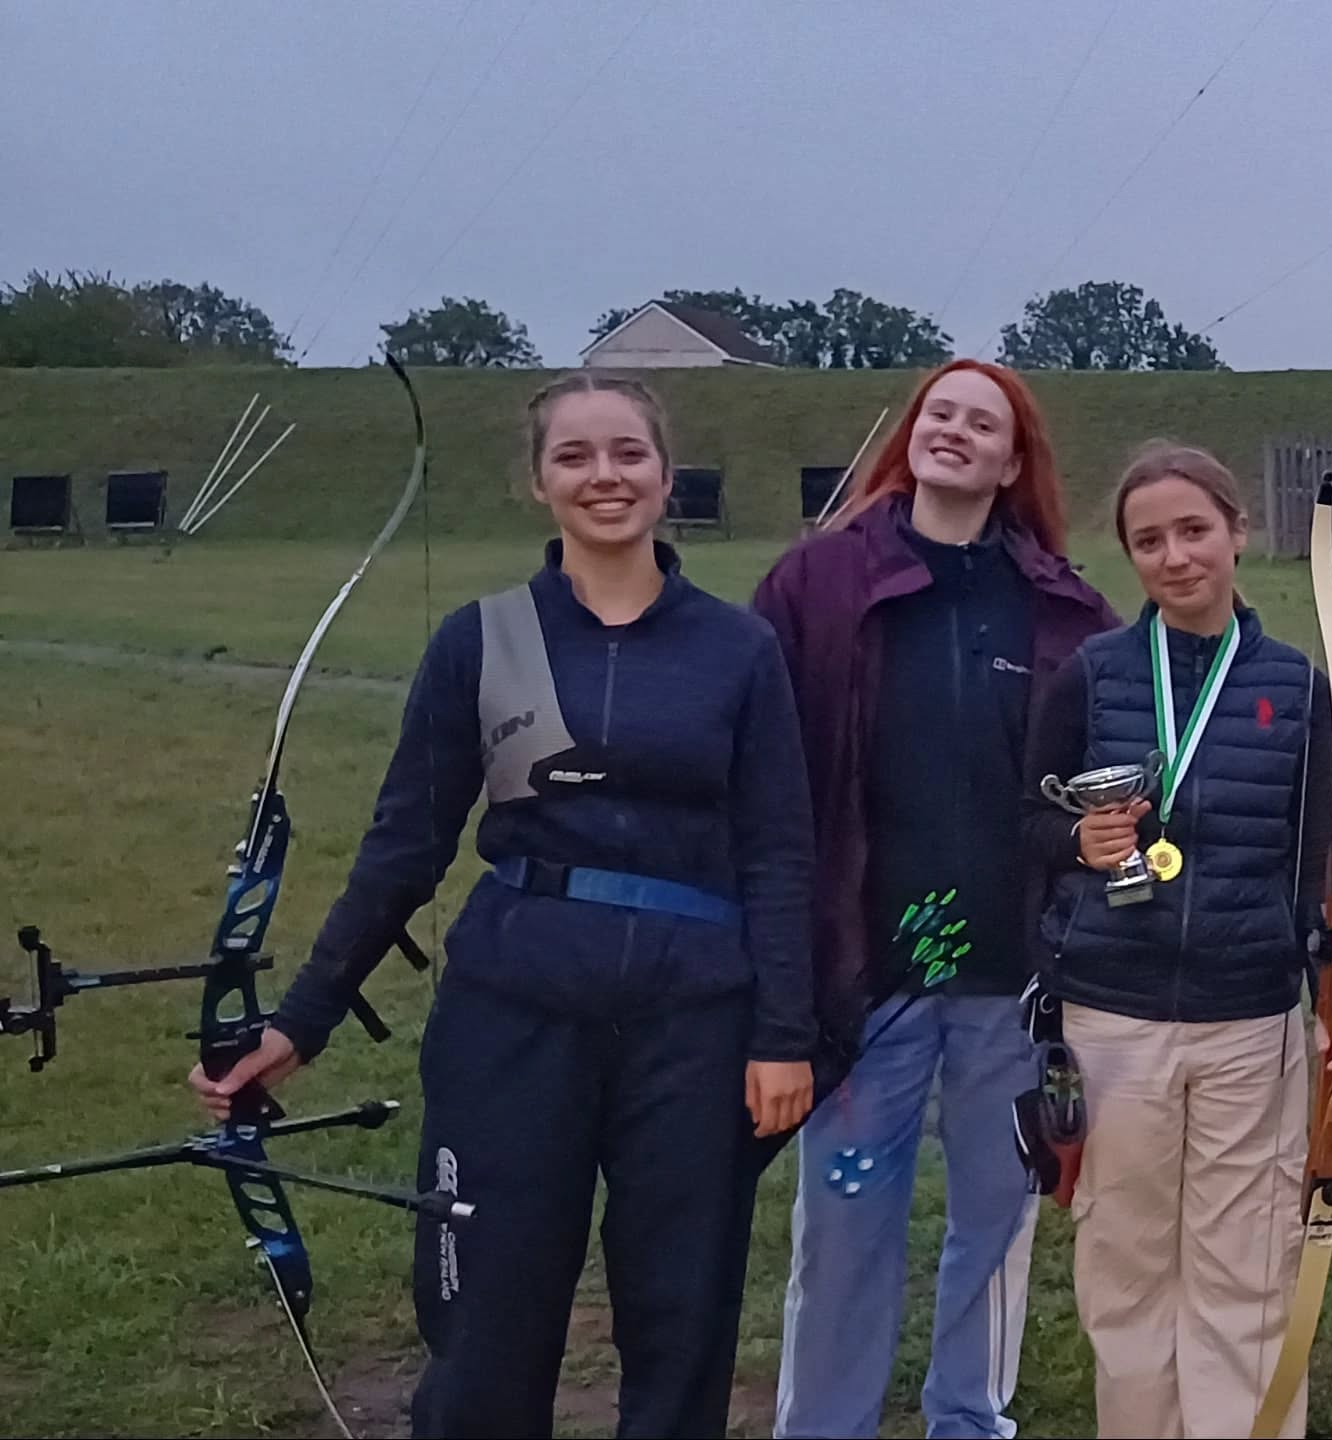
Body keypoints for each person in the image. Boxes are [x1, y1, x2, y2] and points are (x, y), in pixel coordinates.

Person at [190, 372, 817, 1440]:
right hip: (513, 1012)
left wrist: (784, 1034)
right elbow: (404, 850)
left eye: (628, 453)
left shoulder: (737, 649)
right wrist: (303, 1019)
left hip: (693, 1021)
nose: (604, 476)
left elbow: (780, 852)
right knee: (488, 1305)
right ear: (538, 482)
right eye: (574, 456)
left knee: (683, 1308)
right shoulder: (478, 640)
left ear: (667, 477)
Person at [753, 358, 1120, 1439]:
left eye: (982, 423)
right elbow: (757, 760)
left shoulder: (1063, 607)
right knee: (847, 1221)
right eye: (939, 413)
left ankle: (969, 1416)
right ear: (912, 434)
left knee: (999, 1220)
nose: (954, 431)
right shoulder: (816, 583)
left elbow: (1108, 777)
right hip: (866, 975)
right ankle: (824, 1425)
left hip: (1013, 980)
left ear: (1013, 462)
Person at [1021, 441, 1332, 1439]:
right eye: (1148, 541)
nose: (1175, 557)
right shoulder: (1091, 674)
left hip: (1247, 1021)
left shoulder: (1297, 686)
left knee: (1247, 1272)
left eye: (1193, 531)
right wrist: (1075, 839)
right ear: (1129, 556)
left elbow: (1324, 869)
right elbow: (1025, 823)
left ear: (1236, 533)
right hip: (1113, 1016)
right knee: (1125, 1273)